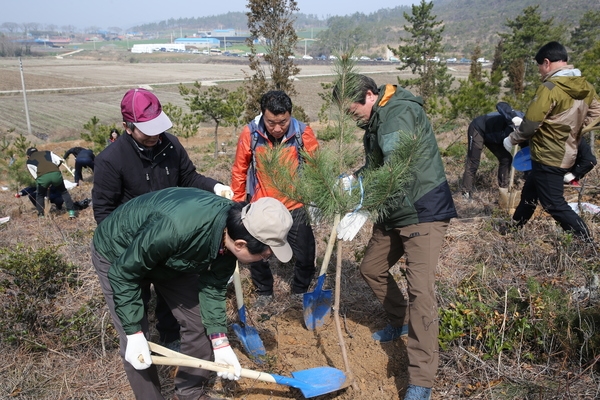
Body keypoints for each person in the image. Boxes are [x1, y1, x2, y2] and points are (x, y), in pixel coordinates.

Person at [91, 188, 294, 400]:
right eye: (263, 255)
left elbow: (213, 287)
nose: (265, 258)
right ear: (241, 244)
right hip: (119, 253)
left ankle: (189, 393)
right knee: (138, 345)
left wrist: (220, 341)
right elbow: (124, 272)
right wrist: (133, 333)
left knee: (199, 323)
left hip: (172, 258)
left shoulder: (231, 235)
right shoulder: (177, 229)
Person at [333, 74, 457, 400]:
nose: (350, 117)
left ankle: (421, 381)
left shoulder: (396, 113)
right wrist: (352, 182)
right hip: (395, 209)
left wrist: (364, 203)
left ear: (370, 96)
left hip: (422, 209)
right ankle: (398, 320)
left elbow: (396, 164)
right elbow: (376, 165)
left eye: (352, 110)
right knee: (371, 268)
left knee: (421, 294)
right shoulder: (376, 120)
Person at [92, 87, 233, 350]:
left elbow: (189, 178)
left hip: (173, 241)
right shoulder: (111, 161)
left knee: (176, 295)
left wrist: (215, 188)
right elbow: (104, 212)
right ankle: (141, 341)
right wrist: (129, 248)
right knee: (137, 297)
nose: (155, 135)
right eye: (147, 130)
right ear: (127, 127)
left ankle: (171, 339)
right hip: (133, 245)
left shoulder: (170, 145)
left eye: (158, 127)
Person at [503, 41, 600, 240]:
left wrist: (512, 139)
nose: (540, 71)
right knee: (529, 194)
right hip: (566, 151)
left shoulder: (549, 88)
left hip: (549, 155)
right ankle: (511, 230)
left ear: (547, 63)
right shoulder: (586, 86)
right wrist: (576, 129)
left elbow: (531, 123)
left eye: (539, 66)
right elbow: (597, 112)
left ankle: (586, 242)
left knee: (553, 204)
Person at [231, 90, 319, 307]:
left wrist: (318, 197)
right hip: (263, 206)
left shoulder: (302, 133)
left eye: (283, 122)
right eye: (271, 123)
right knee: (256, 252)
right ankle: (264, 291)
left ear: (290, 115)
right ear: (263, 115)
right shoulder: (250, 134)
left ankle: (299, 290)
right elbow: (240, 170)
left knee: (306, 254)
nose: (278, 128)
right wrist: (239, 202)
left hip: (294, 204)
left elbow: (315, 168)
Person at [461, 102, 524, 200]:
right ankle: (466, 193)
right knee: (473, 161)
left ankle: (504, 190)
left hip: (495, 137)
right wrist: (514, 117)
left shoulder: (530, 135)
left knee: (506, 159)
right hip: (479, 128)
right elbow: (501, 105)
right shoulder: (518, 119)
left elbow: (527, 157)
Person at [26, 147, 77, 219]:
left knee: (40, 195)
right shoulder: (48, 152)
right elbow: (60, 161)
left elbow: (35, 176)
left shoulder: (29, 161)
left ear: (28, 156)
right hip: (56, 174)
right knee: (64, 192)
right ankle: (71, 212)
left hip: (43, 178)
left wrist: (44, 182)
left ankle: (41, 215)